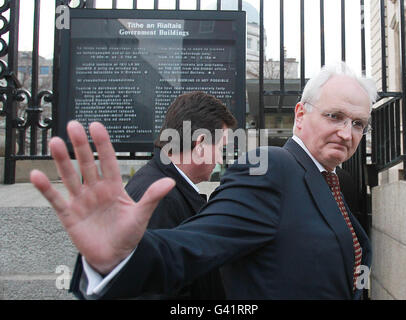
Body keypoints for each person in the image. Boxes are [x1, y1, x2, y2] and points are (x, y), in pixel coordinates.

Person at [31, 62, 377, 299]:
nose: (347, 133)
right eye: (335, 116)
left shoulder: (332, 179)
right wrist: (118, 259)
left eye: (359, 123)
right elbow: (192, 246)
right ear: (300, 115)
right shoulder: (271, 167)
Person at [68, 91, 237, 299]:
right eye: (221, 148)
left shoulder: (163, 183)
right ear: (200, 144)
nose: (220, 159)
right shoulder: (160, 198)